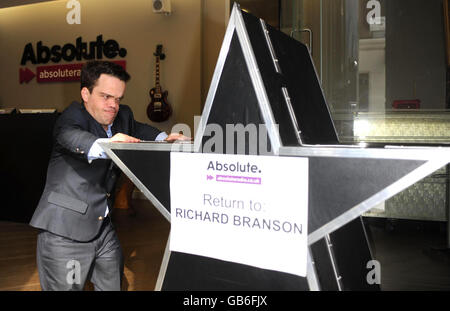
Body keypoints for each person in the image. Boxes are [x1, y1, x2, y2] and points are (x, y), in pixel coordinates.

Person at [29, 60, 189, 290]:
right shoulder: (71, 118)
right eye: (106, 97)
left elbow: (138, 128)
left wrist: (165, 138)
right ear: (86, 93)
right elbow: (72, 136)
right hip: (64, 231)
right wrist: (108, 144)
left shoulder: (122, 115)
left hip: (102, 228)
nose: (113, 105)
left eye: (118, 98)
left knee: (113, 284)